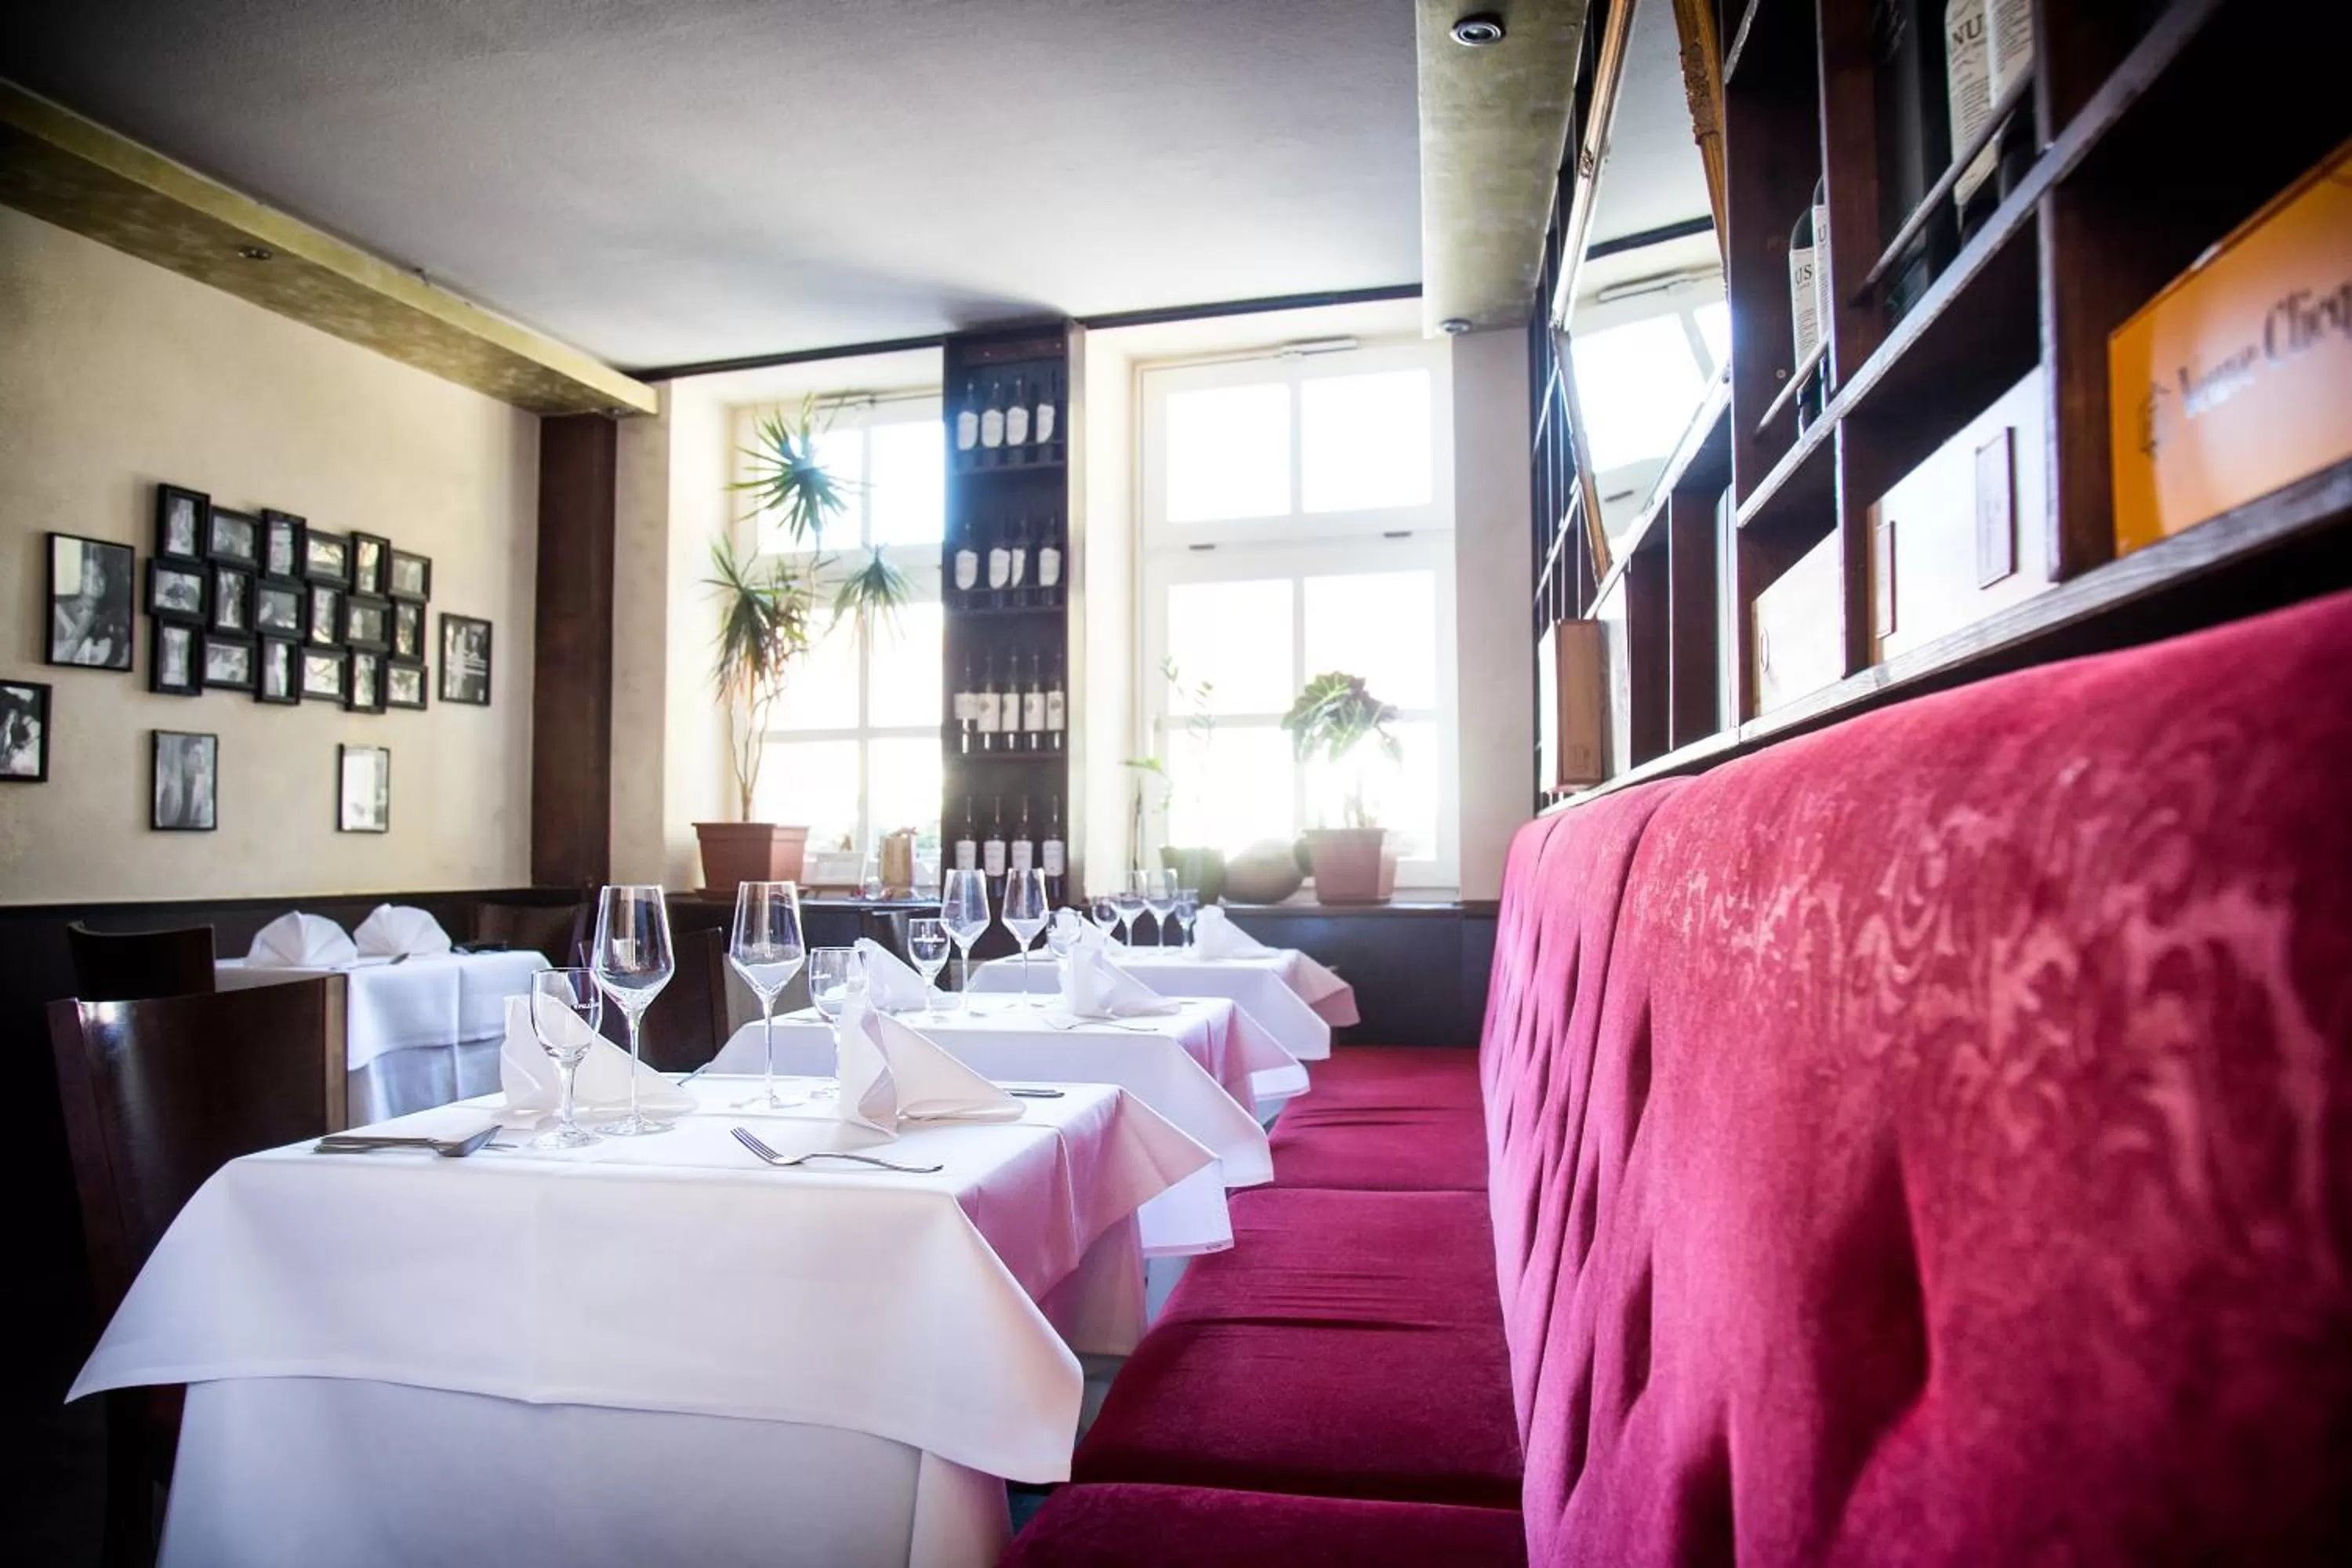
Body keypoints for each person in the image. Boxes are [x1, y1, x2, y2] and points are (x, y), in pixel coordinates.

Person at [53, 542, 127, 666]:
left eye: (100, 574)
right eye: (87, 573)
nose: (95, 580)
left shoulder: (116, 616)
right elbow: (59, 659)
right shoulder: (58, 612)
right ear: (77, 578)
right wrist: (85, 623)